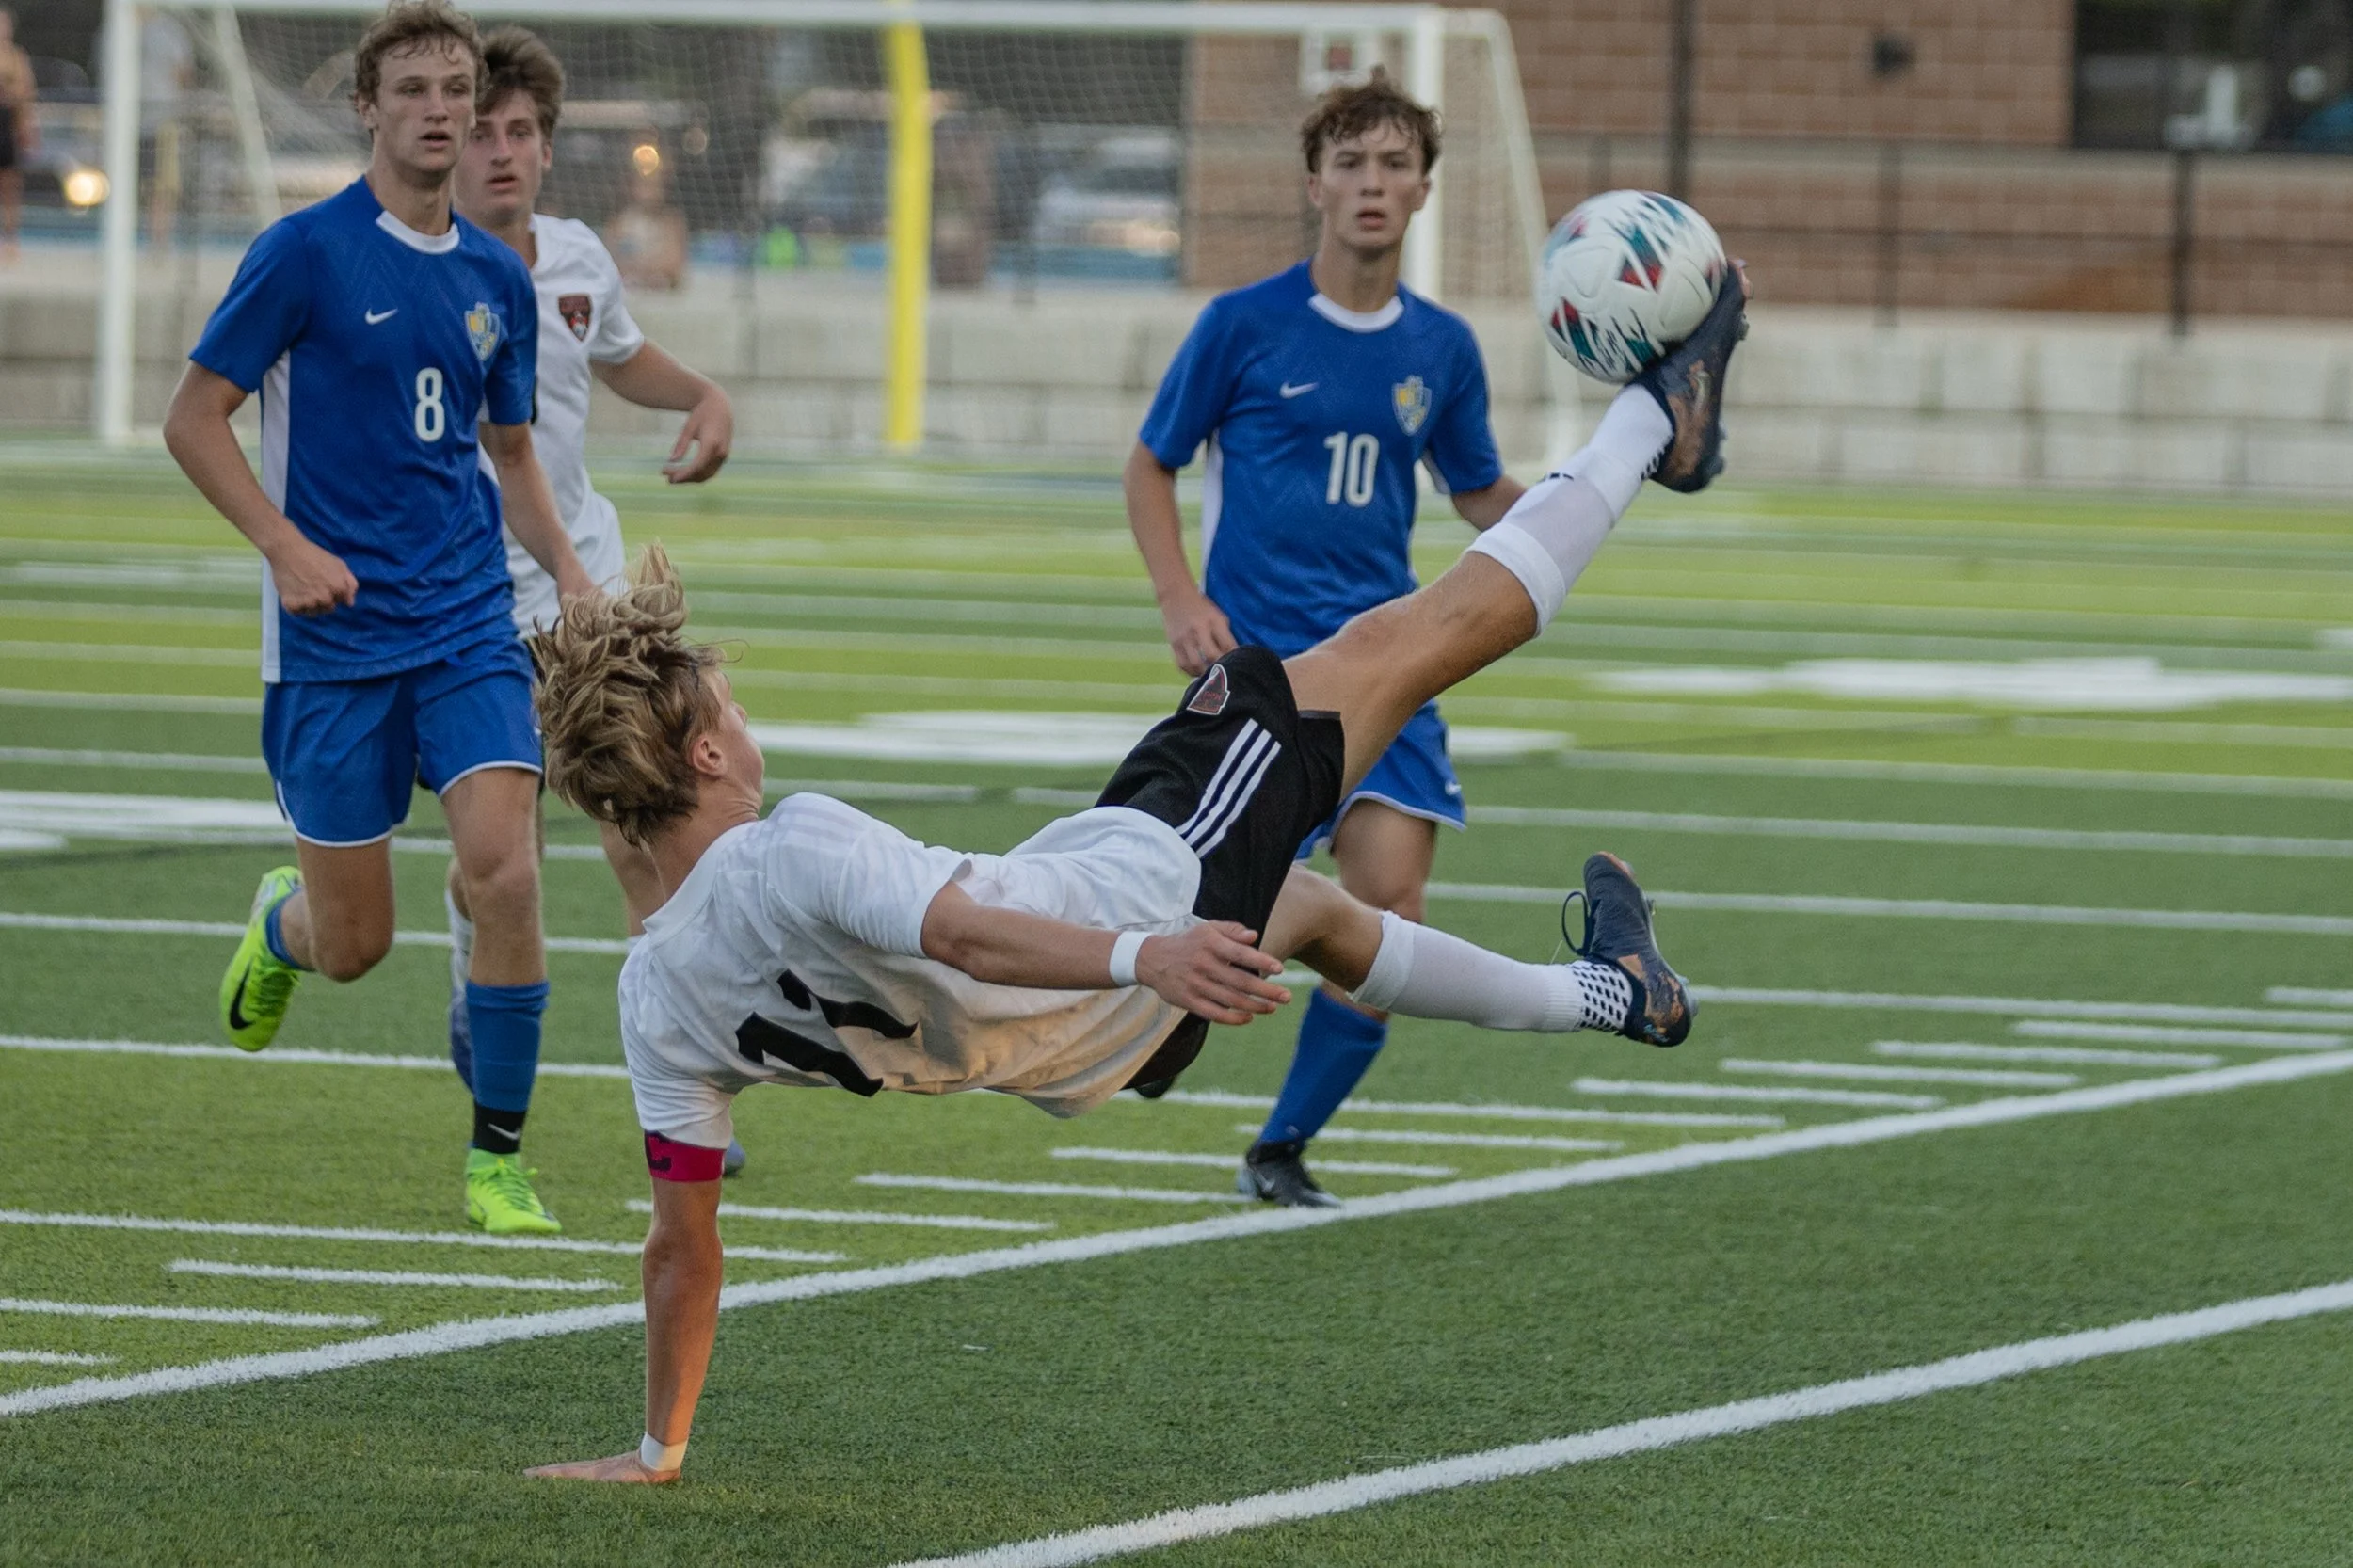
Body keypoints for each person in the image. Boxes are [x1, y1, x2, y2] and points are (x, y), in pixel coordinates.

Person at [521, 267, 1748, 1483]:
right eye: (730, 698)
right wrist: (1143, 949)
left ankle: (1617, 992)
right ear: (710, 751)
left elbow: (681, 1249)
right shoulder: (792, 845)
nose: (745, 706)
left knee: (1312, 907)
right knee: (1403, 642)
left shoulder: (653, 996)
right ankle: (1658, 410)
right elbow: (968, 935)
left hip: (1090, 1054)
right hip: (1138, 906)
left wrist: (656, 1450)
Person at [161, 1, 594, 1237]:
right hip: (334, 644)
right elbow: (194, 420)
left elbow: (510, 451)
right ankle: (280, 929)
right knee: (357, 944)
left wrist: (564, 565)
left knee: (504, 870)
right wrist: (285, 546)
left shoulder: (495, 274)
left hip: (466, 622)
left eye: (454, 87)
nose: (441, 109)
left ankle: (497, 1157)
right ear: (368, 108)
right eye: (412, 89)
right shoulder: (301, 253)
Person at [1126, 72, 1526, 1208]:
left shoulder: (1441, 349)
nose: (1371, 183)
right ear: (1315, 184)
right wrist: (1177, 601)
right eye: (1350, 162)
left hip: (1391, 670)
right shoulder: (1241, 326)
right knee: (1198, 899)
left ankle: (1279, 1145)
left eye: (1393, 164)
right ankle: (1143, 1029)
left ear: (1423, 191)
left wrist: (1588, 500)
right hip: (1260, 678)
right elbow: (1149, 463)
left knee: (1390, 914)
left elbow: (1478, 488)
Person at [445, 25, 743, 1171]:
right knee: (500, 853)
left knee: (648, 822)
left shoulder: (574, 259)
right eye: (482, 131)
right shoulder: (421, 272)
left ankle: (681, 1090)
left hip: (589, 581)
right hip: (467, 595)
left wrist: (703, 393)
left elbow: (616, 356)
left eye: (521, 131)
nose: (502, 151)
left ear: (547, 148)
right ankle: (473, 944)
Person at [0, 8, 37, 263]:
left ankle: (11, 240)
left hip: (7, 128)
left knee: (10, 187)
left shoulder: (18, 57)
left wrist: (28, 129)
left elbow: (26, 94)